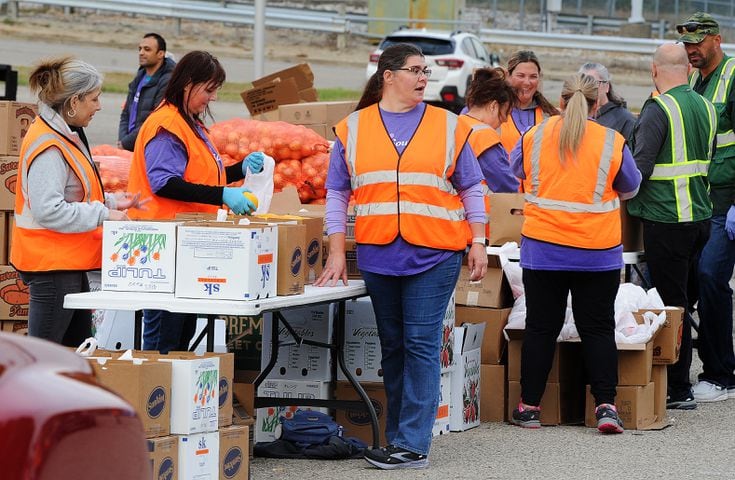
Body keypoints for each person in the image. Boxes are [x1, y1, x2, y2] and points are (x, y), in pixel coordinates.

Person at [314, 43, 488, 470]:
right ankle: (396, 439)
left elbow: (471, 187)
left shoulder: (448, 126)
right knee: (393, 346)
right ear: (387, 75)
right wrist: (338, 252)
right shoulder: (352, 129)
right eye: (414, 70)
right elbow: (337, 193)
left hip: (435, 253)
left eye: (425, 70)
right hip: (378, 253)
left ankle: (412, 443)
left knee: (420, 343)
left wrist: (479, 239)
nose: (423, 78)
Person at [509, 73, 641, 433]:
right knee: (598, 328)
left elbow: (513, 169)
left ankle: (530, 407)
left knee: (541, 327)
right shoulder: (611, 141)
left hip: (543, 249)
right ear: (598, 104)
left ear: (562, 102)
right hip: (596, 253)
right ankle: (606, 406)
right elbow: (630, 188)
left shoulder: (535, 135)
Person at [126, 50, 265, 353]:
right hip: (165, 246)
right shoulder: (168, 126)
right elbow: (165, 183)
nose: (212, 98)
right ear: (188, 84)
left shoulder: (188, 123)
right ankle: (155, 394)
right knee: (165, 339)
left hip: (185, 246)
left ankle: (168, 394)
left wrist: (236, 171)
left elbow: (199, 179)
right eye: (209, 90)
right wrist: (223, 195)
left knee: (180, 339)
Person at [10, 57, 146, 347]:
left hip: (66, 264)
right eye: (94, 99)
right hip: (52, 266)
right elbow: (49, 209)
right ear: (74, 101)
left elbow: (74, 193)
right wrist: (104, 215)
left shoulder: (64, 135)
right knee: (48, 361)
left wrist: (111, 202)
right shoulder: (49, 145)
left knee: (76, 356)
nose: (99, 106)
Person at [628, 43, 717, 409]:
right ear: (688, 70)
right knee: (685, 300)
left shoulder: (659, 107)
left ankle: (678, 389)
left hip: (667, 219)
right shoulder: (706, 106)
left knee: (670, 305)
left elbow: (640, 168)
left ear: (654, 71)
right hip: (700, 218)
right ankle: (684, 379)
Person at [678, 12, 735, 402]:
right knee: (695, 278)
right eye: (686, 44)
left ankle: (721, 375)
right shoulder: (697, 80)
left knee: (712, 276)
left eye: (697, 42)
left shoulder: (731, 77)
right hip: (703, 196)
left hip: (727, 196)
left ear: (717, 39)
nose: (691, 50)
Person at [460, 67, 520, 193]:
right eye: (505, 113)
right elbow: (505, 184)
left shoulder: (455, 124)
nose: (505, 120)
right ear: (493, 106)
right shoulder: (483, 136)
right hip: (479, 211)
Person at [117, 33, 175, 151]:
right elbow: (126, 113)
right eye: (140, 49)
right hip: (130, 144)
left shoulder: (167, 81)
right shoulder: (140, 75)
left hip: (149, 146)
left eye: (147, 49)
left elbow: (155, 120)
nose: (141, 53)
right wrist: (123, 140)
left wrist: (126, 143)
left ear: (160, 54)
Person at [499, 50, 559, 153]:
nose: (527, 82)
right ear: (508, 76)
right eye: (521, 76)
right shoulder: (495, 111)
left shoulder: (549, 115)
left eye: (533, 77)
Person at [578, 62, 637, 141]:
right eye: (583, 83)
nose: (588, 89)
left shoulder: (625, 120)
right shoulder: (574, 116)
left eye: (594, 83)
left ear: (607, 86)